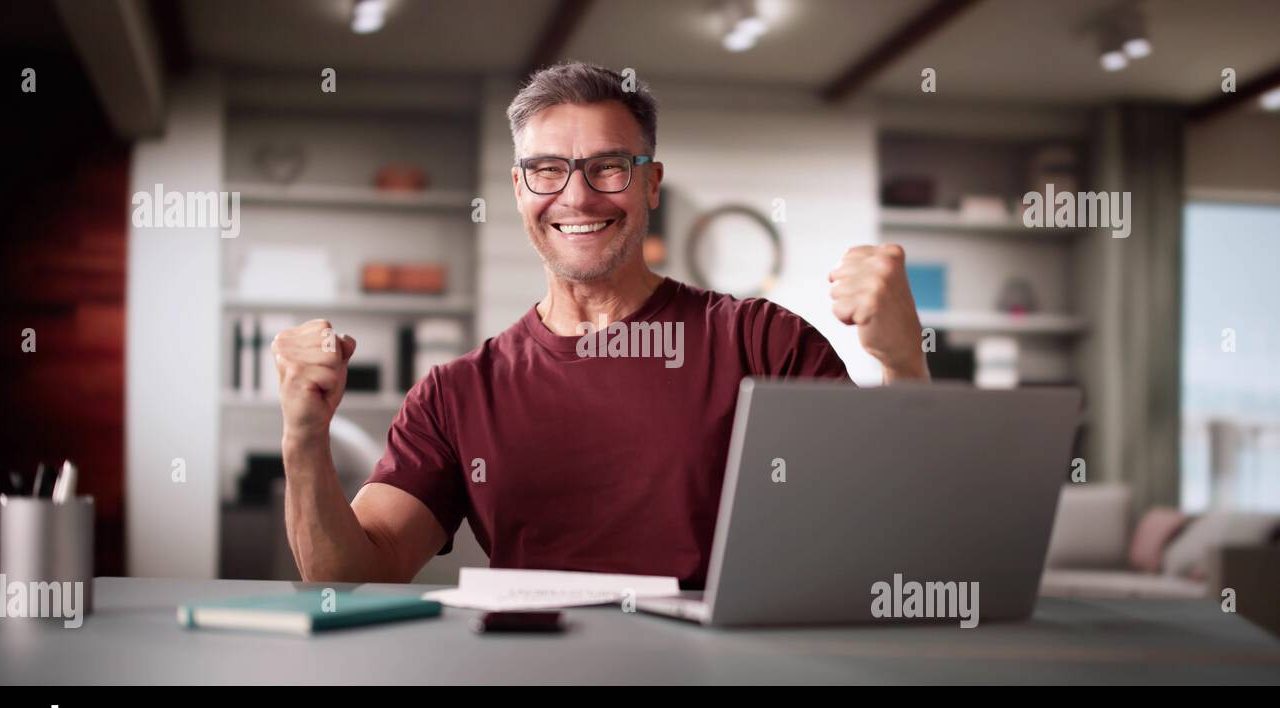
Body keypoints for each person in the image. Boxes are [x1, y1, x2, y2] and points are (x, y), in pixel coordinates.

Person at [272, 62, 928, 586]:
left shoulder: (762, 342)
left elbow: (889, 537)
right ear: (520, 189)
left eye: (608, 166)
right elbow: (353, 573)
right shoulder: (455, 393)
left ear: (651, 183)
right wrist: (304, 437)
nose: (577, 195)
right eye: (547, 170)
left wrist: (904, 365)